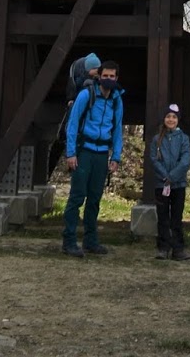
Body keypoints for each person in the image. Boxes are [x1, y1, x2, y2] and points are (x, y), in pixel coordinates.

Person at [61, 59, 124, 259]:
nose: (108, 79)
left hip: (102, 153)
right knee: (77, 196)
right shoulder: (86, 95)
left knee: (95, 199)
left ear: (117, 78)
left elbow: (118, 129)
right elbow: (73, 124)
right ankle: (69, 241)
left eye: (112, 76)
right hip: (84, 151)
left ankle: (90, 241)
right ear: (99, 76)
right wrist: (71, 153)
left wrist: (116, 156)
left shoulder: (116, 99)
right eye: (105, 76)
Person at [149, 102, 190, 261]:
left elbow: (185, 161)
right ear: (164, 119)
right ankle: (163, 248)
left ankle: (178, 249)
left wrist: (172, 177)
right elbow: (154, 160)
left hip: (178, 185)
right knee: (162, 217)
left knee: (176, 218)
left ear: (178, 120)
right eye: (168, 116)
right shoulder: (156, 139)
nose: (171, 119)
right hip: (161, 184)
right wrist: (165, 176)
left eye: (174, 117)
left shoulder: (184, 139)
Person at [48, 52, 100, 175]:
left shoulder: (91, 78)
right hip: (76, 105)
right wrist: (71, 99)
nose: (98, 72)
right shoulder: (81, 74)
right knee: (65, 133)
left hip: (83, 111)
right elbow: (73, 86)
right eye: (96, 69)